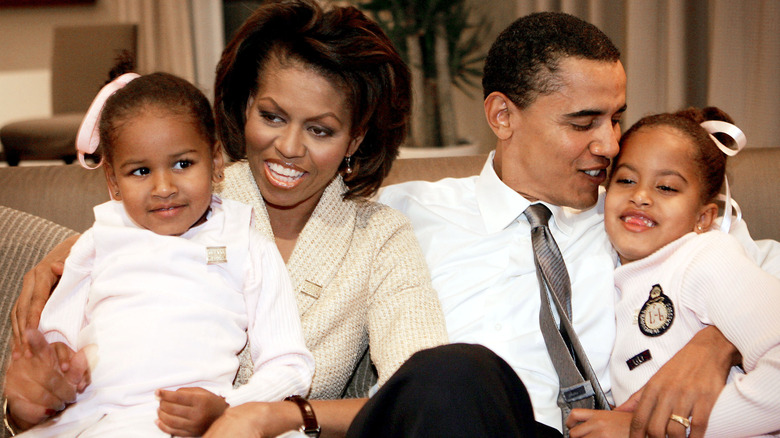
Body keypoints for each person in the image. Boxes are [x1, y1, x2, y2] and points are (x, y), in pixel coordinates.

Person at [6, 1, 448, 436]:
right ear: (244, 107)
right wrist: (30, 398)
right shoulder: (179, 196)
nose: (290, 147)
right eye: (272, 116)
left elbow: (420, 396)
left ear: (355, 137)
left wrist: (278, 415)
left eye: (320, 130)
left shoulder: (378, 239)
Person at [371, 11, 778, 438]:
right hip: (462, 419)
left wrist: (718, 341)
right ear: (503, 116)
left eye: (616, 118)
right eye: (583, 123)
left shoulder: (643, 219)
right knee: (453, 371)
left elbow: (760, 282)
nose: (611, 145)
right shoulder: (404, 212)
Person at [6, 67, 314, 437]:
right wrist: (51, 369)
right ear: (113, 183)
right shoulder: (97, 241)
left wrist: (230, 407)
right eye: (139, 171)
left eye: (183, 164)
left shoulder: (246, 243)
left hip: (200, 424)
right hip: (97, 420)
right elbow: (57, 338)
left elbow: (290, 364)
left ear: (216, 162)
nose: (164, 187)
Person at [567, 107, 780, 437]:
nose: (640, 196)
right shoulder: (607, 280)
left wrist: (657, 429)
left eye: (666, 187)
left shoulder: (706, 256)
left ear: (704, 217)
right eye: (625, 180)